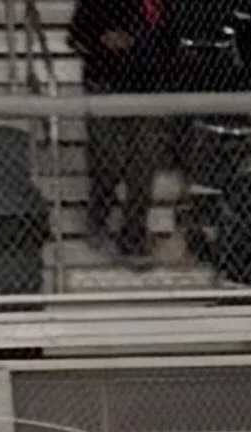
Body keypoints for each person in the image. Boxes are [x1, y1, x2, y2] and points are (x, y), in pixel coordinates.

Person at [67, 0, 175, 269]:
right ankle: (99, 213)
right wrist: (103, 42)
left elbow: (171, 39)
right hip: (106, 84)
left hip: (150, 86)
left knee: (143, 167)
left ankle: (133, 239)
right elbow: (76, 38)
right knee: (108, 160)